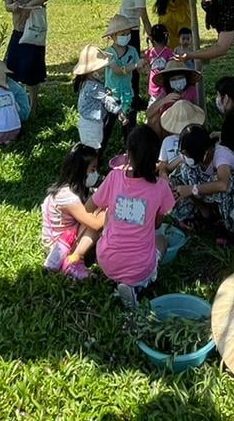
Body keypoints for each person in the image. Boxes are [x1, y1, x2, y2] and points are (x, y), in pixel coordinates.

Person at [89, 125, 175, 307]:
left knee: (108, 220)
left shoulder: (114, 177)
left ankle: (122, 280)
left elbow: (90, 206)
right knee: (161, 241)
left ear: (128, 154)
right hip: (139, 267)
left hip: (107, 259)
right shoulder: (161, 187)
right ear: (156, 158)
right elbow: (156, 224)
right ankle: (140, 285)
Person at [170, 123, 234, 229]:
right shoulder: (192, 156)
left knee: (226, 186)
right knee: (180, 174)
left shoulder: (221, 155)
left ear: (205, 153)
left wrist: (192, 189)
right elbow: (170, 168)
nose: (185, 157)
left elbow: (224, 185)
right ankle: (198, 215)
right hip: (204, 194)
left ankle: (230, 228)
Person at [42, 145, 101, 280]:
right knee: (97, 223)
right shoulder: (67, 196)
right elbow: (96, 224)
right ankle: (73, 260)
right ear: (80, 171)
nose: (95, 173)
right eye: (92, 169)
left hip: (68, 234)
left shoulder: (75, 190)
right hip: (58, 245)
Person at [3, 0, 53, 113]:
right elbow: (7, 6)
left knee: (32, 71)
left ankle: (33, 105)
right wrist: (14, 7)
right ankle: (17, 102)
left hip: (33, 34)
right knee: (12, 68)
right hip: (18, 32)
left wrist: (29, 5)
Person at [72, 45, 123, 152]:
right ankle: (91, 166)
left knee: (92, 149)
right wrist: (119, 111)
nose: (102, 69)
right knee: (92, 150)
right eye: (100, 68)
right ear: (93, 71)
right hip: (91, 124)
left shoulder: (87, 82)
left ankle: (91, 166)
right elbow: (106, 100)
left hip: (89, 122)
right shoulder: (93, 86)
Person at [102, 16, 141, 125]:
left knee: (130, 125)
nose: (126, 36)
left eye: (128, 33)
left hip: (127, 93)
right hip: (112, 94)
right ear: (113, 36)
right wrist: (136, 65)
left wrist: (145, 66)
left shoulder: (132, 51)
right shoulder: (109, 53)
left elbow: (140, 69)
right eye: (122, 34)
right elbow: (117, 70)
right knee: (107, 124)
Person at [146, 61, 201, 134]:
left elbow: (197, 112)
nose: (177, 82)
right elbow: (149, 113)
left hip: (186, 126)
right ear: (168, 81)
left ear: (186, 77)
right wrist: (164, 100)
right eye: (173, 79)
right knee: (154, 117)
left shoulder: (191, 91)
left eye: (180, 78)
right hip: (167, 127)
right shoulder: (165, 92)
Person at [144, 22, 176, 103]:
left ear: (152, 39)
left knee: (153, 106)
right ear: (166, 37)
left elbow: (148, 70)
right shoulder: (169, 52)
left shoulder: (149, 52)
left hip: (153, 85)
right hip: (166, 86)